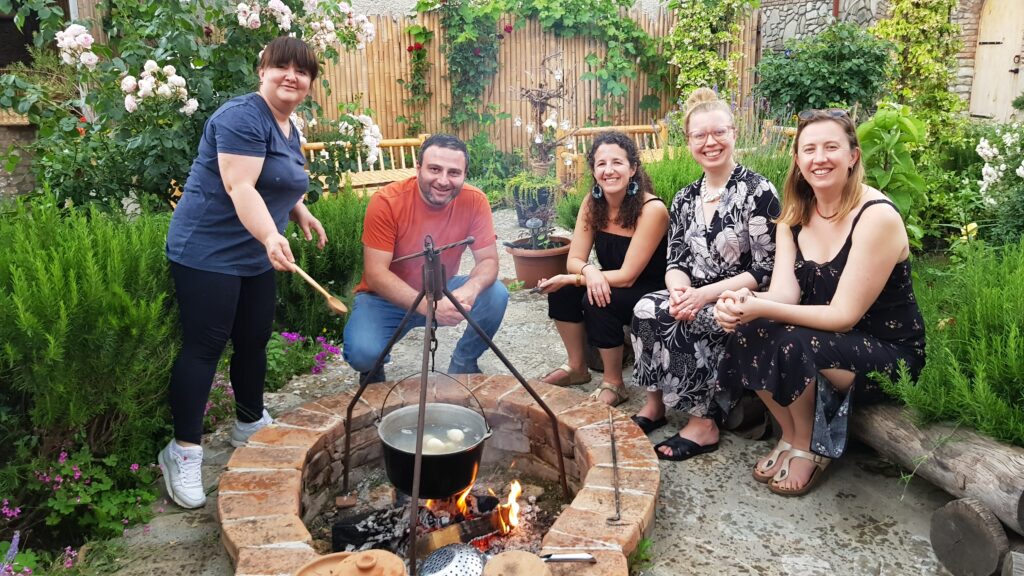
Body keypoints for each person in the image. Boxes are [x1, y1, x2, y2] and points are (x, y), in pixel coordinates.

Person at [713, 108, 926, 496]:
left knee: (790, 340)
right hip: (824, 339)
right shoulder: (794, 216)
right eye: (809, 149)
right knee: (748, 330)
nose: (819, 158)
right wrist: (745, 301)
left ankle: (814, 446)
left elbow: (844, 317)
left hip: (885, 352)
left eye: (832, 147)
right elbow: (783, 294)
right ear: (797, 159)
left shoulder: (876, 217)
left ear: (853, 156)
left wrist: (762, 307)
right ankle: (792, 437)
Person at [162, 37, 327, 509]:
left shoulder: (288, 125)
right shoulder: (241, 116)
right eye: (282, 67)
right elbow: (240, 186)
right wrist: (270, 236)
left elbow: (275, 178)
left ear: (311, 83)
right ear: (263, 70)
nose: (291, 76)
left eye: (302, 71)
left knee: (254, 338)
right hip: (207, 250)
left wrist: (298, 211)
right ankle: (184, 451)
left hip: (255, 250)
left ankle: (249, 422)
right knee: (205, 346)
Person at [628, 88, 781, 461]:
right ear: (689, 141)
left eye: (718, 133)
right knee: (647, 308)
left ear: (733, 133)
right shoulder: (684, 197)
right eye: (700, 135)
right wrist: (680, 292)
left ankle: (704, 423)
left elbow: (764, 269)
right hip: (694, 291)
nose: (710, 142)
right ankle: (655, 405)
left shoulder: (757, 191)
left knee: (695, 320)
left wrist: (704, 296)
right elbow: (676, 260)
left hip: (741, 296)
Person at [342, 134, 509, 383]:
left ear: (464, 174)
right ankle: (373, 369)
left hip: (440, 290)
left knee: (495, 294)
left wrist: (470, 290)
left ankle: (463, 362)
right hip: (385, 299)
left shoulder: (474, 200)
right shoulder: (387, 202)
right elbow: (376, 274)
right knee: (363, 353)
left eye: (454, 172)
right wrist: (428, 307)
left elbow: (488, 261)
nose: (443, 180)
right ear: (418, 168)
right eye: (434, 169)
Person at [535, 131, 669, 407]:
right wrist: (588, 272)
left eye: (617, 163)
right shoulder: (592, 203)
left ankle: (614, 383)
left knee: (597, 297)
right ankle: (577, 368)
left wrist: (586, 277)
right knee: (562, 290)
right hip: (611, 280)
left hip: (651, 289)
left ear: (632, 168)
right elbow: (574, 259)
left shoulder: (652, 209)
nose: (609, 170)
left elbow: (629, 276)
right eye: (601, 164)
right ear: (594, 170)